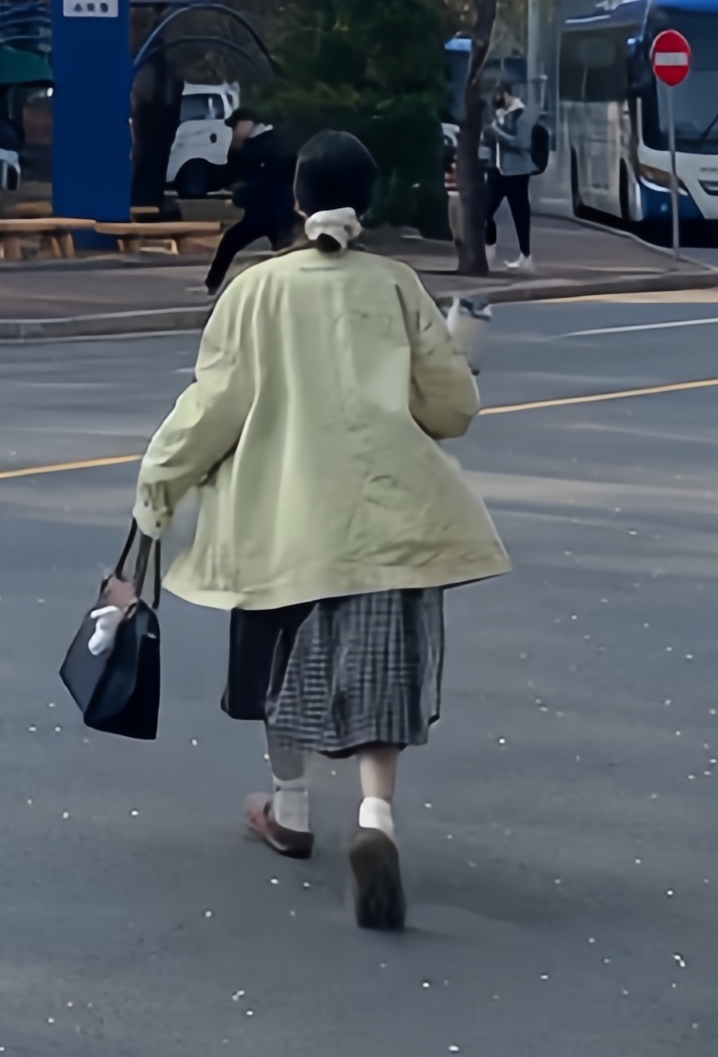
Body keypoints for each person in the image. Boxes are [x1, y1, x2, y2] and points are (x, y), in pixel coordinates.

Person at [119, 129, 509, 932]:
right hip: (385, 515)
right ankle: (376, 819)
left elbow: (211, 408)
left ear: (296, 199)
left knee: (277, 659)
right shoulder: (397, 285)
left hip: (281, 516)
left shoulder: (255, 291)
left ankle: (289, 805)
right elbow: (450, 409)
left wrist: (157, 491)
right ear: (367, 199)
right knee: (379, 672)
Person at [205, 113, 298, 296]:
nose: (234, 132)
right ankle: (213, 283)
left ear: (248, 123)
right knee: (231, 241)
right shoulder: (248, 145)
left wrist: (241, 196)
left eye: (235, 126)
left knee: (284, 250)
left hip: (278, 210)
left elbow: (267, 180)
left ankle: (289, 289)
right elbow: (232, 174)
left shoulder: (273, 143)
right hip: (260, 211)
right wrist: (233, 149)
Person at [483, 82, 536, 272]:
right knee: (485, 211)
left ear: (506, 94)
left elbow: (522, 143)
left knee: (520, 215)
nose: (495, 100)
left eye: (498, 96)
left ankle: (526, 257)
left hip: (517, 173)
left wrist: (496, 132)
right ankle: (488, 254)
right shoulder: (499, 113)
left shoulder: (522, 114)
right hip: (497, 170)